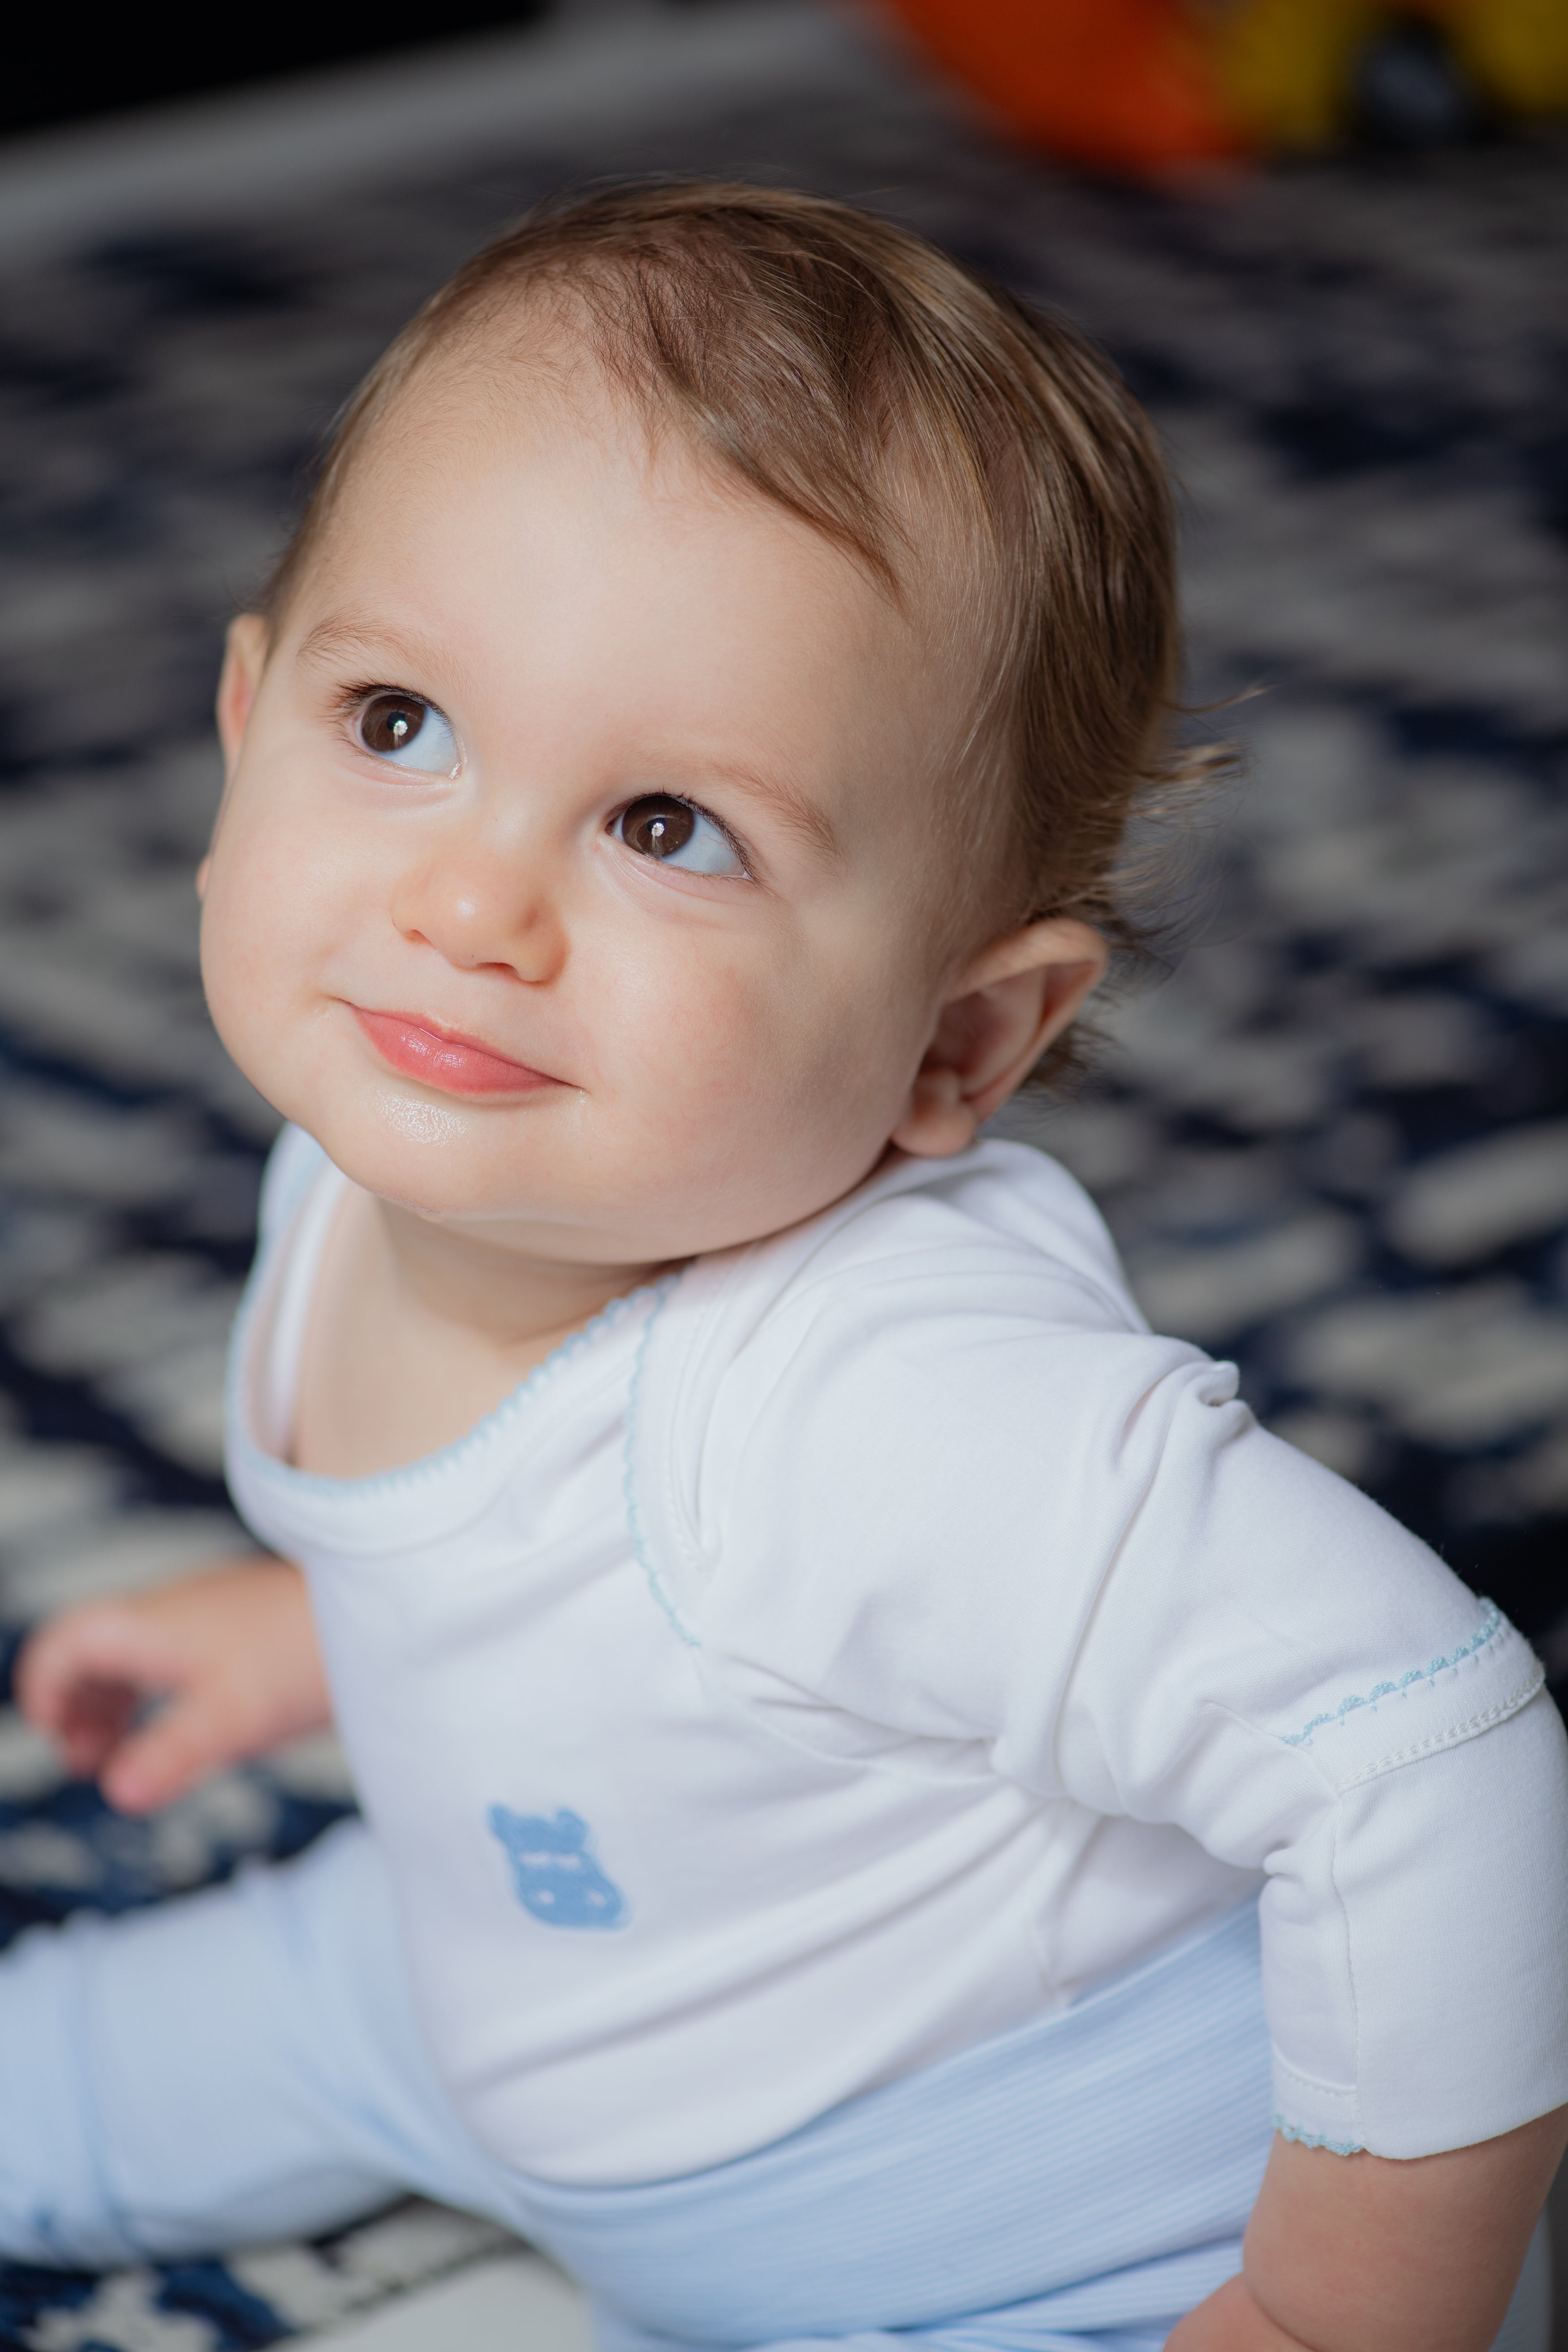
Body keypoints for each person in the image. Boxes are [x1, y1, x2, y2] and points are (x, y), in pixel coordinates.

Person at [6, 183, 1565, 2352]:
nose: (468, 901)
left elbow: (1429, 1749)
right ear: (244, 721)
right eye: (395, 725)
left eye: (668, 828)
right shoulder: (387, 1146)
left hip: (1016, 2216)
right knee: (48, 2069)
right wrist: (320, 1621)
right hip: (510, 1974)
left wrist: (1331, 2311)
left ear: (955, 1040)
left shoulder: (874, 1398)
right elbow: (582, 1575)